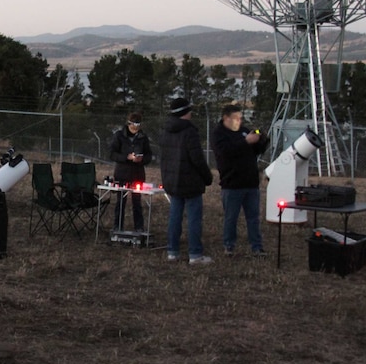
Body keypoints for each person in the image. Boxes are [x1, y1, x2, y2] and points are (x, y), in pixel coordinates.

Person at [159, 98, 214, 265]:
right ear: (184, 113)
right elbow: (197, 158)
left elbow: (164, 158)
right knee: (194, 219)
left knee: (175, 217)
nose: (191, 113)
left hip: (173, 182)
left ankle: (172, 251)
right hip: (190, 183)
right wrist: (207, 177)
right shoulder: (189, 132)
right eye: (189, 110)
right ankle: (195, 254)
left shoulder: (166, 131)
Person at [211, 103, 269, 257]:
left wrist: (262, 140)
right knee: (231, 218)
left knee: (253, 218)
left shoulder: (244, 131)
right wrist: (246, 142)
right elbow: (225, 152)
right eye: (235, 118)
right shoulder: (219, 134)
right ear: (226, 118)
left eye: (240, 118)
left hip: (250, 182)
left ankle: (256, 246)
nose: (239, 121)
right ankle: (229, 246)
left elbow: (255, 151)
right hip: (232, 183)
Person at [108, 112, 153, 232]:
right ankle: (118, 226)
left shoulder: (143, 137)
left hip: (138, 174)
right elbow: (112, 154)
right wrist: (126, 157)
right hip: (122, 174)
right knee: (120, 202)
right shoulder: (119, 136)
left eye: (138, 124)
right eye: (134, 124)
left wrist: (141, 159)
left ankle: (139, 227)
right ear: (129, 123)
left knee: (137, 203)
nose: (136, 128)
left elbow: (149, 155)